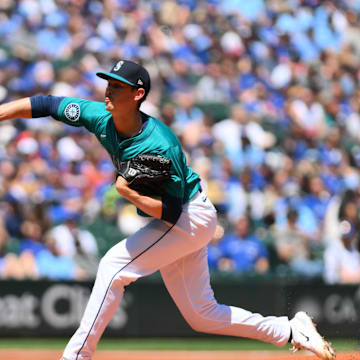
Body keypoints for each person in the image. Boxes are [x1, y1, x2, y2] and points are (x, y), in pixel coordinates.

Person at [0, 59, 335, 360]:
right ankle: (291, 330)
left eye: (118, 86)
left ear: (138, 94)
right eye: (108, 83)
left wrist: (128, 195)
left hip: (189, 215)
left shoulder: (161, 144)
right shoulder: (98, 116)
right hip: (181, 218)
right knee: (202, 314)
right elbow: (46, 104)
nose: (108, 91)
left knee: (113, 268)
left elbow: (173, 213)